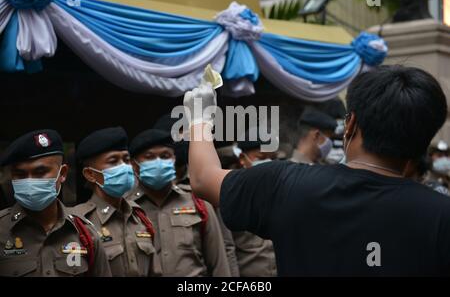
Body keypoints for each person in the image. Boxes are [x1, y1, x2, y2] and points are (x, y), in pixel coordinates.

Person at [184, 65, 450, 276]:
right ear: (423, 140)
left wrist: (199, 119)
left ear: (351, 124)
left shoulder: (285, 183)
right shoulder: (441, 214)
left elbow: (202, 177)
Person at [0, 130, 111, 277]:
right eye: (20, 174)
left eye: (40, 172)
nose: (30, 181)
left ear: (63, 173)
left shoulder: (85, 233)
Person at [126, 128, 230, 277]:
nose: (159, 162)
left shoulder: (198, 204)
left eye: (165, 156)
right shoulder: (127, 208)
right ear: (134, 165)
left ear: (174, 159)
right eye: (149, 157)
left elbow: (219, 264)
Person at [71, 127, 161, 277]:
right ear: (90, 174)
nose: (124, 167)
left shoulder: (139, 218)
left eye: (126, 160)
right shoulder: (79, 222)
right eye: (113, 162)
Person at [229, 137, 278, 277]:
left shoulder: (283, 191)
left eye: (273, 158)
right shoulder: (231, 195)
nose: (268, 164)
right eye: (261, 157)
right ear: (242, 158)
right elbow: (227, 249)